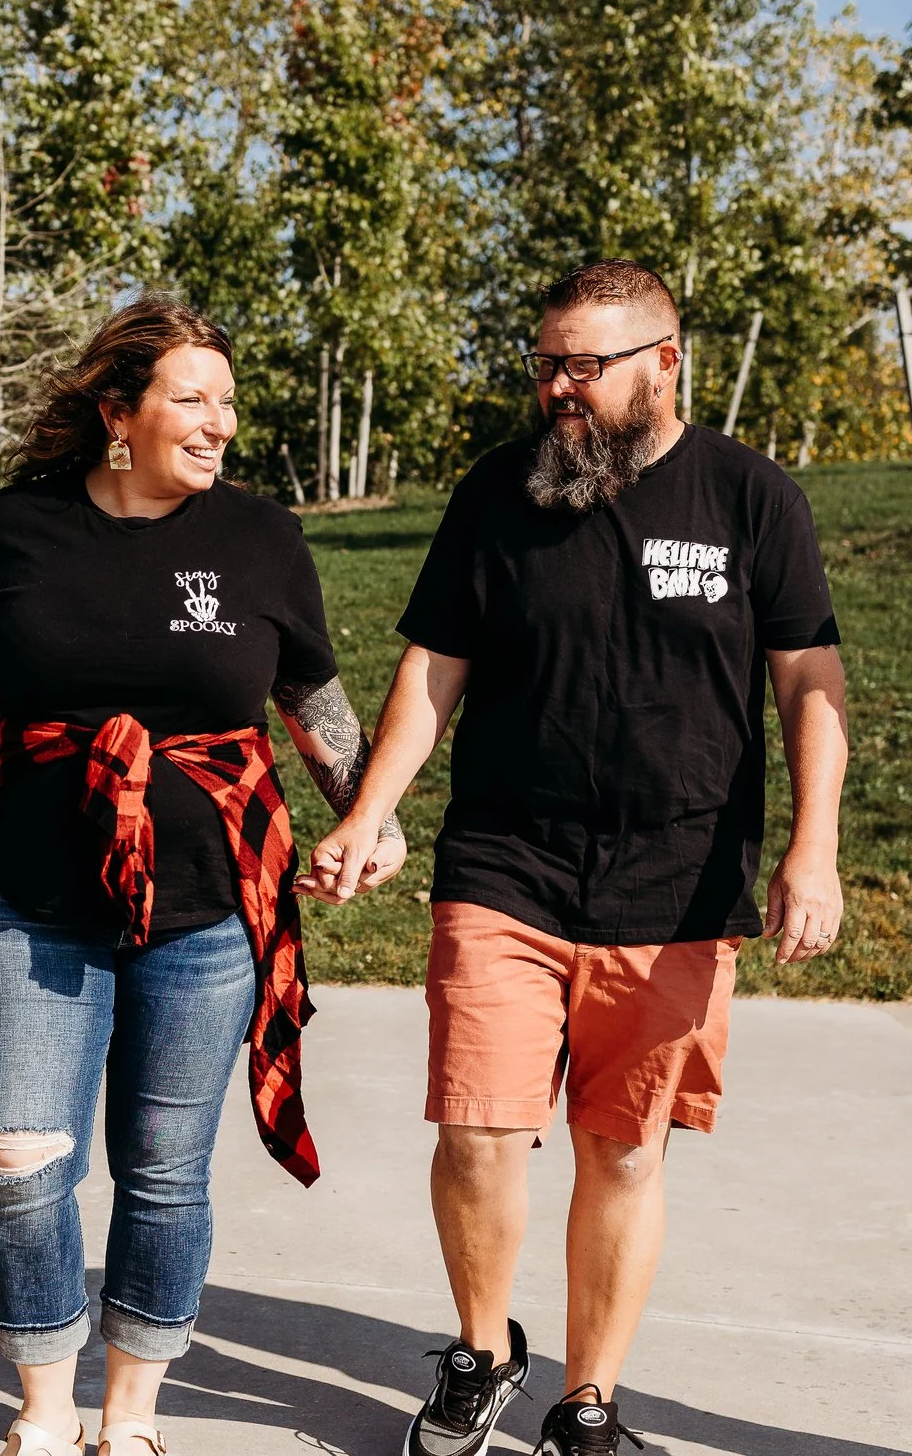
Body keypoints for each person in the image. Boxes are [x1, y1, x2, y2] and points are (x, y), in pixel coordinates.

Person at [307, 259, 849, 1456]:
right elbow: (431, 667)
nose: (559, 387)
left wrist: (813, 849)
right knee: (479, 1129)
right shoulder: (496, 494)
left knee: (621, 1146)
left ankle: (586, 1398)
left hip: (680, 882)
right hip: (506, 863)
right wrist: (369, 808)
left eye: (583, 367)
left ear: (665, 360)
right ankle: (483, 1344)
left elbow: (808, 679)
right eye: (546, 363)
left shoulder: (752, 498)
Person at [0, 294, 401, 1456]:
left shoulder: (259, 538)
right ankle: (41, 1400)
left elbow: (311, 699)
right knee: (19, 1160)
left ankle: (129, 1415)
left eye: (227, 401)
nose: (220, 422)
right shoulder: (15, 528)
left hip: (208, 907)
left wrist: (369, 815)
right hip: (26, 893)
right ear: (118, 412)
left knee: (165, 1173)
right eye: (193, 397)